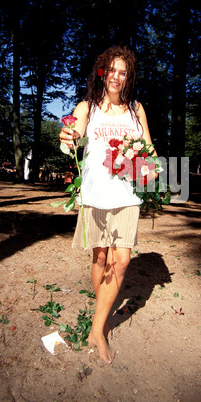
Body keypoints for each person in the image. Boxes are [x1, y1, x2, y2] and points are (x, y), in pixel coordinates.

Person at [59, 46, 157, 364]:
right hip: (96, 195)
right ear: (103, 72)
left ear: (128, 77)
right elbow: (71, 135)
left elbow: (149, 148)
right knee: (100, 256)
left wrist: (151, 165)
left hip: (127, 195)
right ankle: (103, 311)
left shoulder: (136, 109)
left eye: (123, 72)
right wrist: (67, 138)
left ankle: (97, 329)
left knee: (123, 260)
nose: (116, 77)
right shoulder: (88, 107)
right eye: (111, 70)